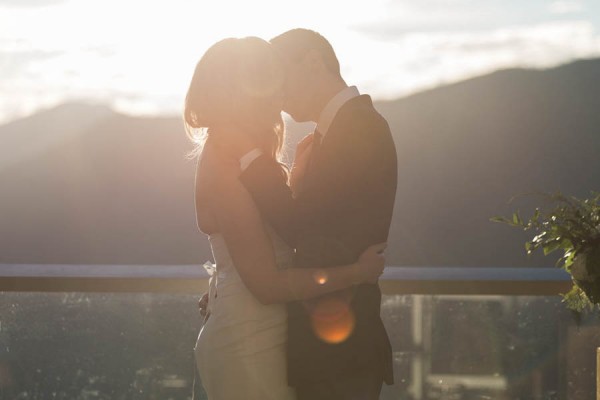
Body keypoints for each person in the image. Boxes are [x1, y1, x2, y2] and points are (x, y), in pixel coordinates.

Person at [184, 36, 387, 400]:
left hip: (286, 341)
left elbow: (298, 235)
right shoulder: (226, 159)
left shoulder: (263, 154)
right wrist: (357, 273)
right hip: (251, 341)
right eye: (263, 79)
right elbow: (266, 284)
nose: (274, 91)